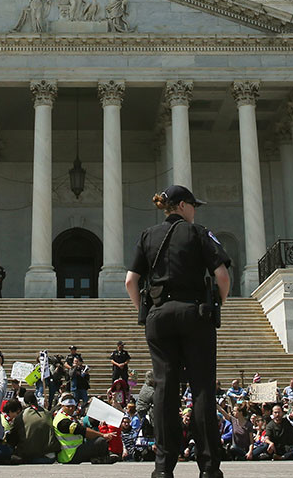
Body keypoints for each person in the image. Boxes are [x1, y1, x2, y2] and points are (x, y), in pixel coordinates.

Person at [125, 185, 230, 478]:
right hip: (194, 313)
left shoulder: (147, 235)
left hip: (158, 317)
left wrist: (145, 313)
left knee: (164, 390)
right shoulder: (198, 233)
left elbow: (130, 281)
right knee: (201, 390)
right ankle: (208, 468)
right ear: (182, 206)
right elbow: (222, 275)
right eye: (193, 205)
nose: (195, 210)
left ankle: (162, 468)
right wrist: (216, 305)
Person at [52, 393, 115, 464]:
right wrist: (103, 435)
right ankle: (103, 459)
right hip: (70, 455)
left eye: (72, 407)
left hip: (75, 450)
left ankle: (99, 458)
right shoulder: (62, 421)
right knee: (100, 441)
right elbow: (83, 431)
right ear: (62, 406)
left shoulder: (66, 416)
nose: (71, 409)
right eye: (68, 406)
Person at [7, 391, 60, 463]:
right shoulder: (47, 413)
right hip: (49, 455)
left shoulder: (21, 416)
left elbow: (13, 437)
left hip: (29, 456)